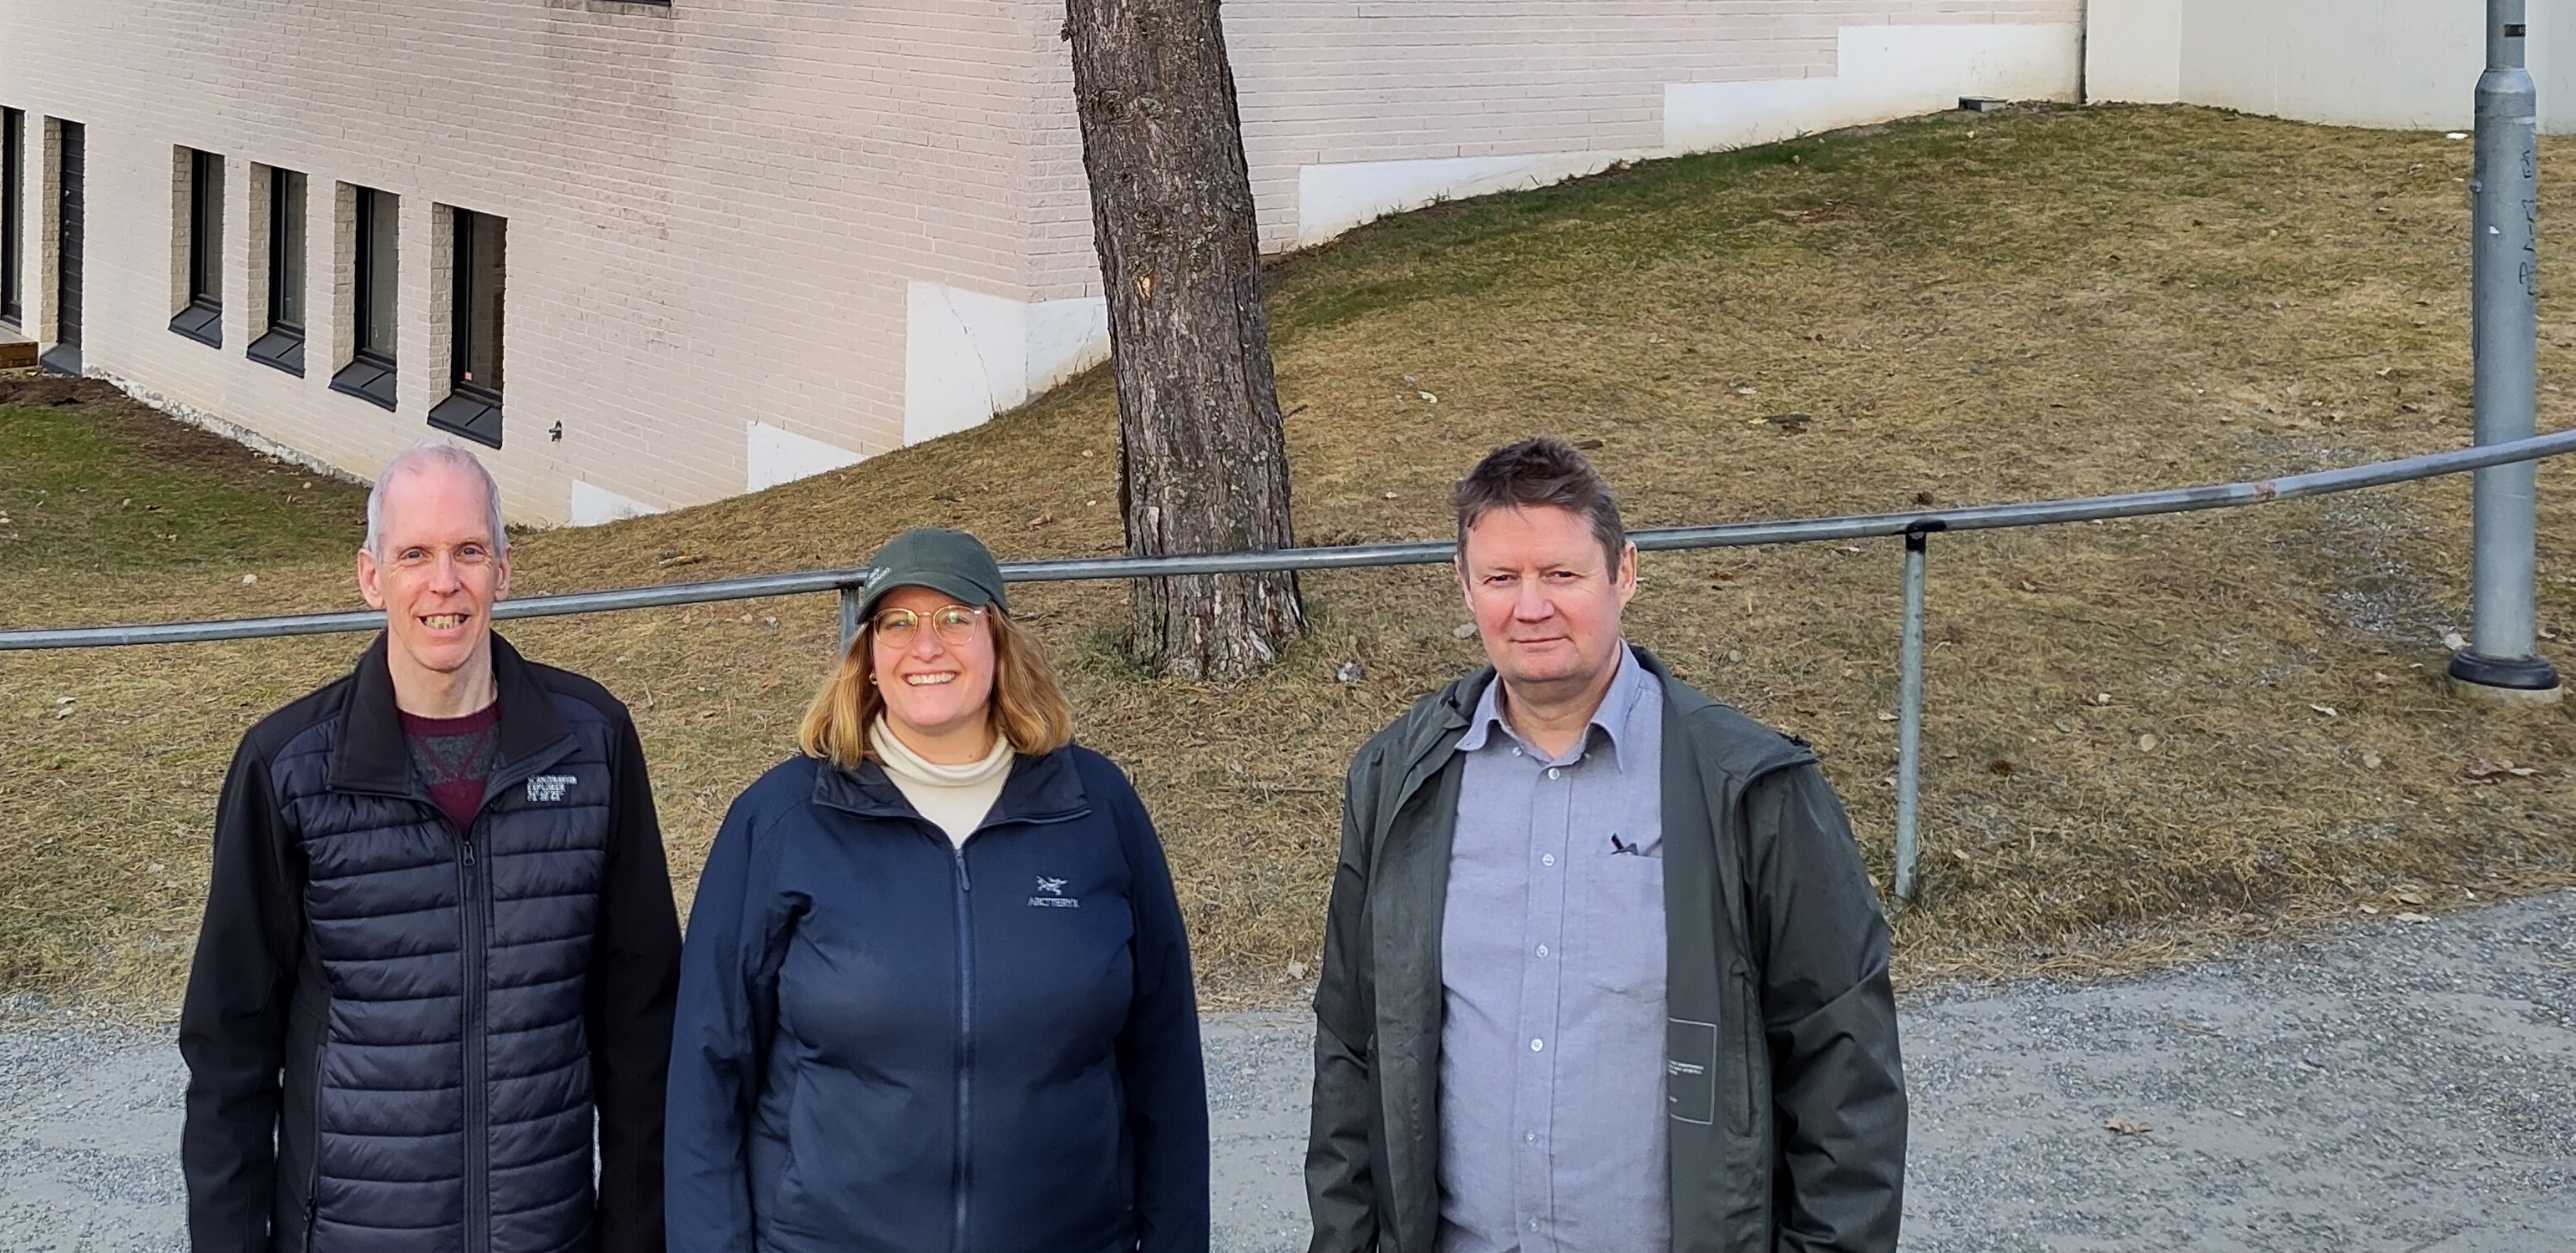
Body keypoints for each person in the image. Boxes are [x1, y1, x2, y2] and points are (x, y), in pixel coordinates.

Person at [1306, 437, 1904, 1253]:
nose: (1530, 606)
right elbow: (1349, 1050)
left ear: (1623, 571)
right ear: (1464, 583)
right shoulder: (1397, 783)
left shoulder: (1748, 789)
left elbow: (1844, 1071)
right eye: (1500, 578)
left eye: (1560, 574)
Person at [180, 440, 681, 1253]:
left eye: (468, 552)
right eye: (414, 554)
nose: (443, 583)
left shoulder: (593, 746)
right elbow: (228, 1050)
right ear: (371, 576)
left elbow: (641, 1033)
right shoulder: (288, 768)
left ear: (504, 571)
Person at [669, 525, 1209, 1253]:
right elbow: (707, 1071)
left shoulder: (1097, 808)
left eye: (956, 617)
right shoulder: (783, 822)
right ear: (866, 658)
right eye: (897, 622)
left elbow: (1165, 1061)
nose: (927, 646)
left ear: (1001, 643)